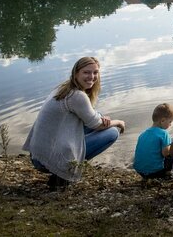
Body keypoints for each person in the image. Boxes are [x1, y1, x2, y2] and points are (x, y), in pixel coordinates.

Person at [23, 56, 126, 190]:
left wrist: (100, 117)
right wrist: (118, 122)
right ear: (76, 73)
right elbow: (96, 125)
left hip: (37, 155)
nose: (92, 76)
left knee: (97, 115)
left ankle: (61, 171)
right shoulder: (77, 96)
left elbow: (91, 117)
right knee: (112, 132)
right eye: (86, 72)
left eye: (95, 72)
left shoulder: (64, 88)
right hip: (46, 161)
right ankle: (62, 174)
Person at [133, 102, 173, 180]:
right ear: (162, 120)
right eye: (170, 122)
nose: (170, 125)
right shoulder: (164, 134)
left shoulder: (143, 133)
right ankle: (167, 174)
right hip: (155, 172)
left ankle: (146, 176)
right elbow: (166, 154)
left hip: (139, 170)